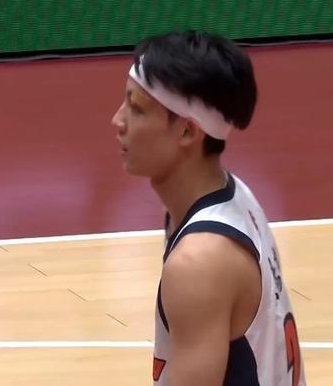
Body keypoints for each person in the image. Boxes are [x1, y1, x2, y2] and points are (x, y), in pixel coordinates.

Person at [111, 30, 306, 386]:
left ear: (188, 132)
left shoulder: (199, 262)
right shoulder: (233, 196)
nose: (118, 121)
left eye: (136, 109)